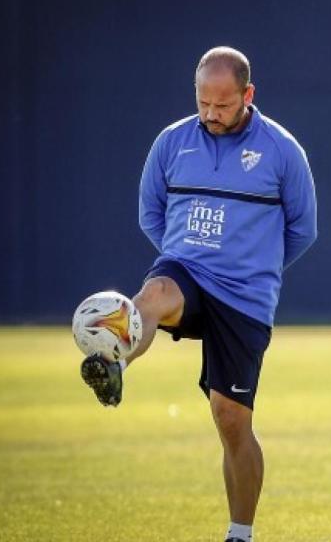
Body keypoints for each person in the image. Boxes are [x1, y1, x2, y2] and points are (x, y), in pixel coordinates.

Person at [79, 46, 317, 542]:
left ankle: (240, 534)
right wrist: (184, 253)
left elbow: (303, 229)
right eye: (203, 102)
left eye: (223, 105)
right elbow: (151, 212)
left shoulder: (282, 150)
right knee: (157, 289)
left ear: (248, 95)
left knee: (230, 420)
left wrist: (256, 268)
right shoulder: (172, 142)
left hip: (245, 298)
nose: (210, 113)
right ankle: (113, 363)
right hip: (186, 271)